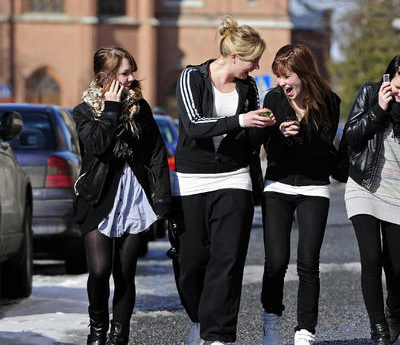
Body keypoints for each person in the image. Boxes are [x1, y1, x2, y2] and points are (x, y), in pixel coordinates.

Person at [170, 16, 274, 345]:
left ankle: (219, 336)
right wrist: (241, 119)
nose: (256, 66)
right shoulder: (192, 77)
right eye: (253, 59)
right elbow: (195, 125)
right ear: (233, 57)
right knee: (192, 262)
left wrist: (265, 126)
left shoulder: (248, 88)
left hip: (234, 177)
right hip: (193, 180)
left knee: (228, 260)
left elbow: (249, 136)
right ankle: (200, 319)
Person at [73, 46, 172, 345]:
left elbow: (156, 153)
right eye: (125, 73)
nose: (131, 79)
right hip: (99, 196)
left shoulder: (141, 109)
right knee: (100, 271)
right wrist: (112, 107)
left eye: (132, 72)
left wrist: (161, 201)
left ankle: (119, 336)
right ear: (106, 76)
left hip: (134, 197)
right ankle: (97, 331)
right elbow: (99, 147)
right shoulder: (84, 111)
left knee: (125, 273)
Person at [340, 54, 400, 345]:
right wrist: (379, 109)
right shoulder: (371, 93)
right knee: (371, 260)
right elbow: (350, 138)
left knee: (395, 268)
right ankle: (379, 329)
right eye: (397, 87)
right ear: (388, 79)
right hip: (363, 186)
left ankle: (394, 308)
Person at [259, 43, 341, 345]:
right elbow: (269, 148)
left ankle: (306, 329)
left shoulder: (329, 101)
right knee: (276, 260)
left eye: (287, 77)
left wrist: (302, 132)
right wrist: (280, 134)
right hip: (277, 186)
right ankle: (271, 321)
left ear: (304, 73)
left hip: (314, 187)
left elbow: (324, 149)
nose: (282, 84)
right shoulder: (273, 98)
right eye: (278, 77)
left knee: (308, 260)